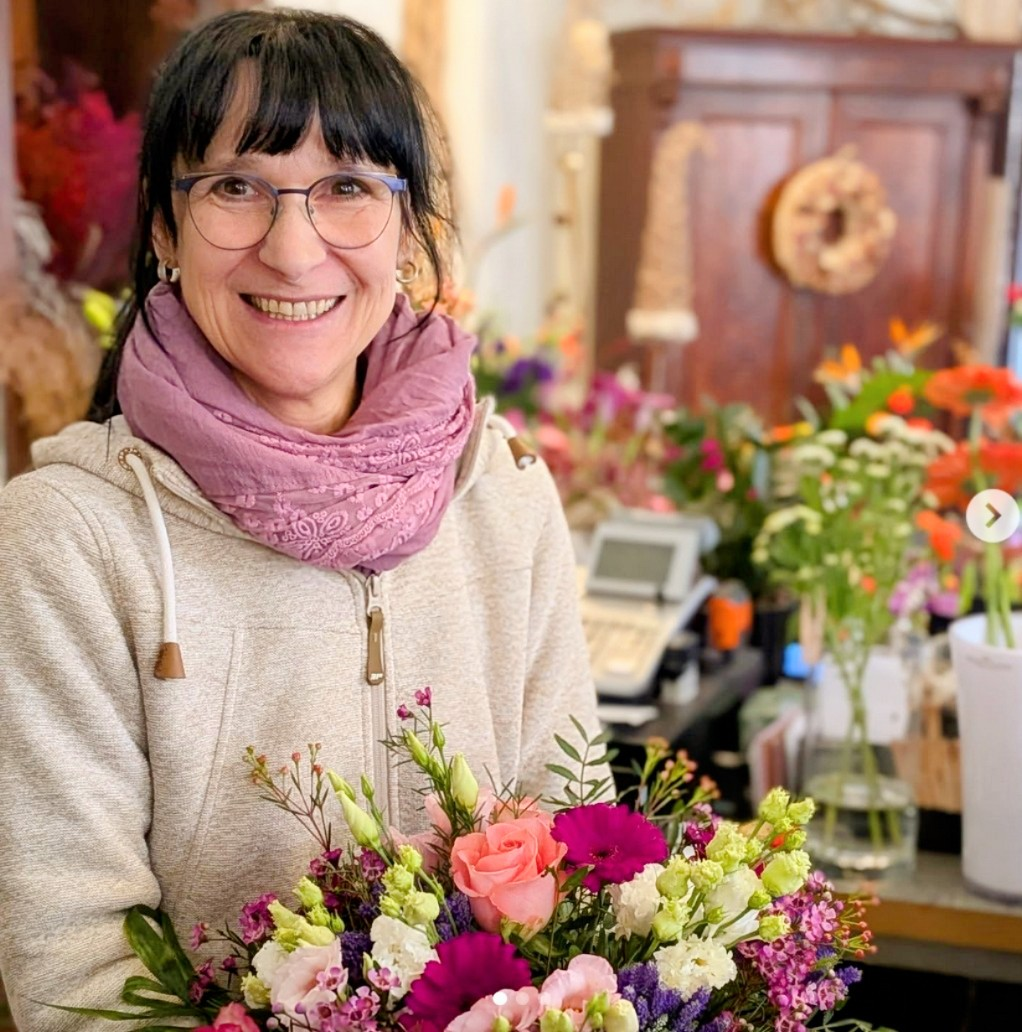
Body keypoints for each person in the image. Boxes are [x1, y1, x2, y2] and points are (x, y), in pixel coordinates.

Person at [0, 9, 599, 1029]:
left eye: (348, 189)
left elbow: (574, 847)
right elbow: (75, 973)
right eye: (235, 186)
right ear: (162, 227)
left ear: (407, 230)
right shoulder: (67, 538)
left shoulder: (503, 488)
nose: (292, 246)